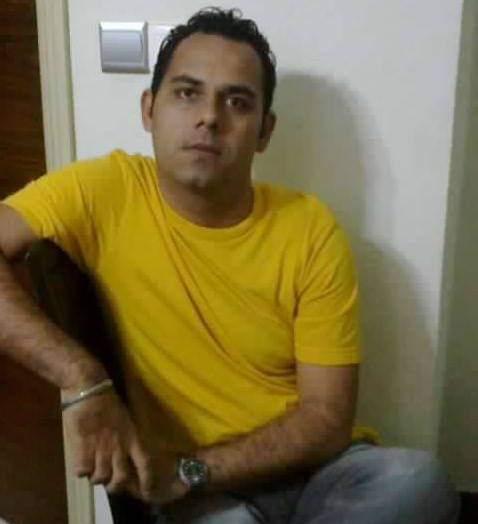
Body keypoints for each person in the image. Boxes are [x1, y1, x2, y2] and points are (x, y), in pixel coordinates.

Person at [0, 7, 460, 524]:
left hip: (304, 475)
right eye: (187, 93)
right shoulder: (104, 192)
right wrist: (80, 375)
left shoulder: (309, 228)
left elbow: (327, 419)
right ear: (149, 109)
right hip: (204, 501)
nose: (209, 118)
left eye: (237, 102)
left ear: (263, 131)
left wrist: (192, 471)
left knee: (418, 481)